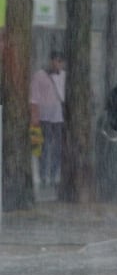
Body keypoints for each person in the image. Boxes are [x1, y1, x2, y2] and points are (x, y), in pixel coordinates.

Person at [30, 51, 66, 187]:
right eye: (57, 61)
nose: (59, 64)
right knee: (43, 148)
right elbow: (33, 98)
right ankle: (43, 176)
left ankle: (54, 175)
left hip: (59, 119)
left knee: (57, 149)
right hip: (44, 118)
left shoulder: (65, 76)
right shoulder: (39, 75)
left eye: (61, 61)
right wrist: (35, 118)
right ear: (51, 61)